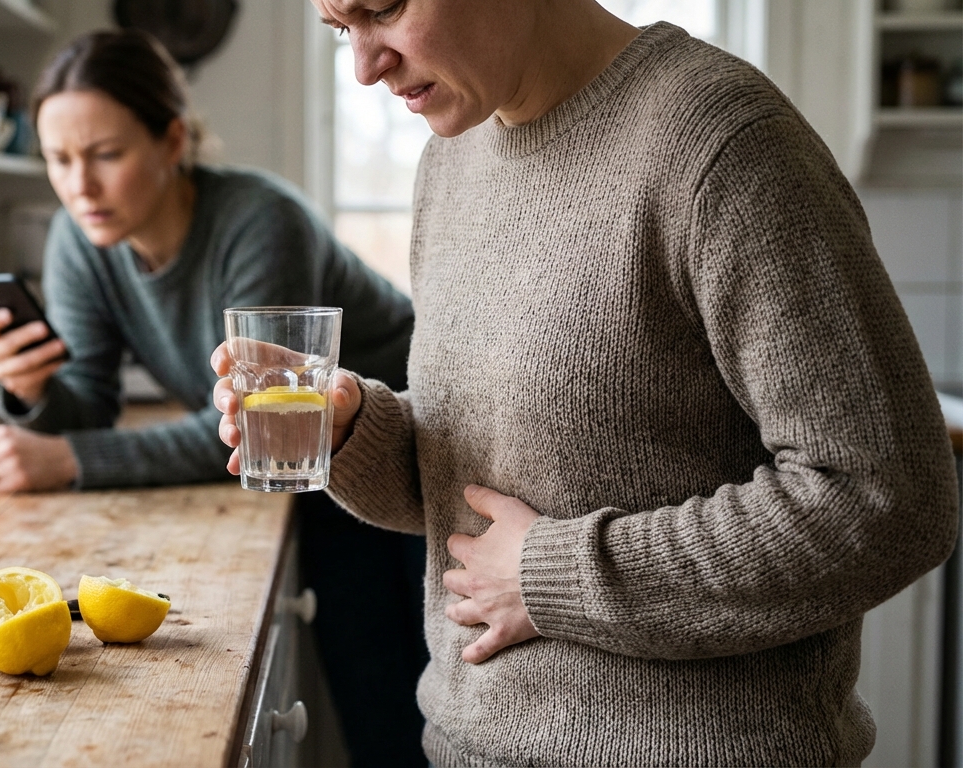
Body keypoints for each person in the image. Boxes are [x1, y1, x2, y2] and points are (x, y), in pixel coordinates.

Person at [210, 1, 959, 765]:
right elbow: (491, 487)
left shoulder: (725, 144)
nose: (366, 67)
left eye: (383, 8)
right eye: (342, 29)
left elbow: (889, 497)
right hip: (467, 746)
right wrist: (353, 433)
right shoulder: (452, 159)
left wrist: (555, 576)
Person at [0, 30, 429, 767]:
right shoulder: (81, 241)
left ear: (172, 141)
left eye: (106, 155)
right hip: (309, 474)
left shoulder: (259, 221)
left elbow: (265, 424)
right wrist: (33, 391)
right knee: (375, 698)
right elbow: (90, 407)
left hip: (408, 446)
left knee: (399, 704)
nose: (80, 187)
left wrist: (67, 459)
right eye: (59, 159)